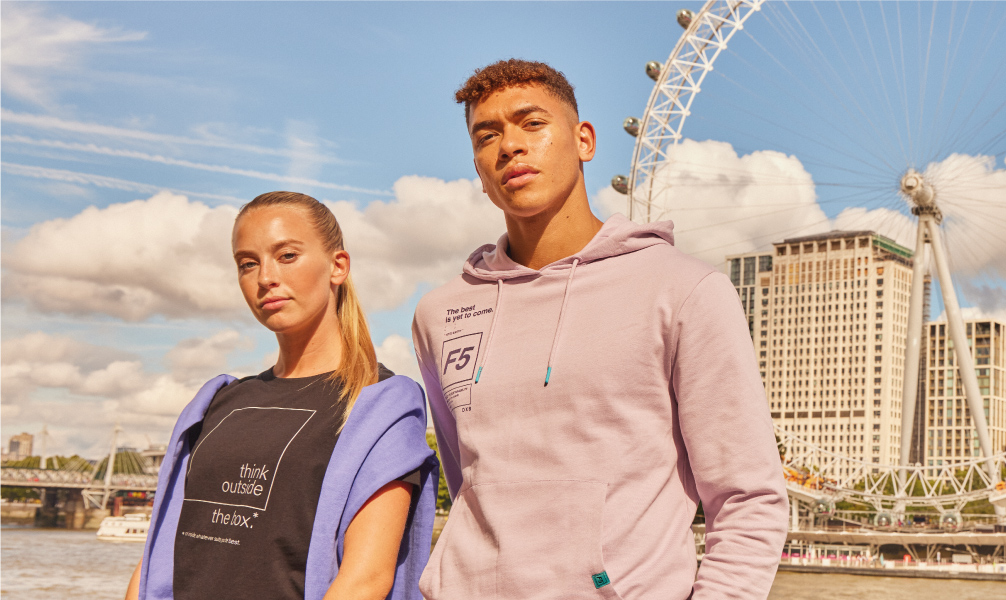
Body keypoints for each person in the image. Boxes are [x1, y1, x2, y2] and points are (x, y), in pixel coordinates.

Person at [412, 59, 788, 600]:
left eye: (532, 124)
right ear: (477, 166)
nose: (509, 147)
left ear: (584, 140)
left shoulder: (684, 290)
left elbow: (747, 496)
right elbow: (467, 473)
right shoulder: (439, 313)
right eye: (487, 135)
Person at [126, 192, 439, 600]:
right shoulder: (217, 403)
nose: (265, 278)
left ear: (338, 266)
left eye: (287, 256)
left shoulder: (380, 407)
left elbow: (365, 580)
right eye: (248, 264)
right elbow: (160, 553)